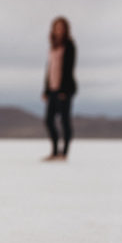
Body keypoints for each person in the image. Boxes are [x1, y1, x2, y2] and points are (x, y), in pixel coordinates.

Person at [42, 16, 77, 161]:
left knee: (64, 120)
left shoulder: (69, 45)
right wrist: (46, 90)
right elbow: (49, 69)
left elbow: (69, 68)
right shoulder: (53, 46)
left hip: (65, 90)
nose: (59, 30)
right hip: (52, 88)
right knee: (49, 120)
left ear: (66, 29)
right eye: (56, 27)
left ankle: (64, 153)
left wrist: (64, 90)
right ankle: (55, 151)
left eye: (61, 28)